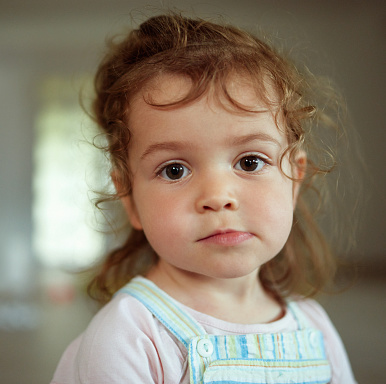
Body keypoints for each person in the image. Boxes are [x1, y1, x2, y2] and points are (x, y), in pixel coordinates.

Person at [51, 12, 358, 384]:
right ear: (130, 199)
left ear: (294, 179)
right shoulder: (130, 336)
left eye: (249, 161)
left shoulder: (314, 328)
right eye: (175, 170)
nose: (218, 197)